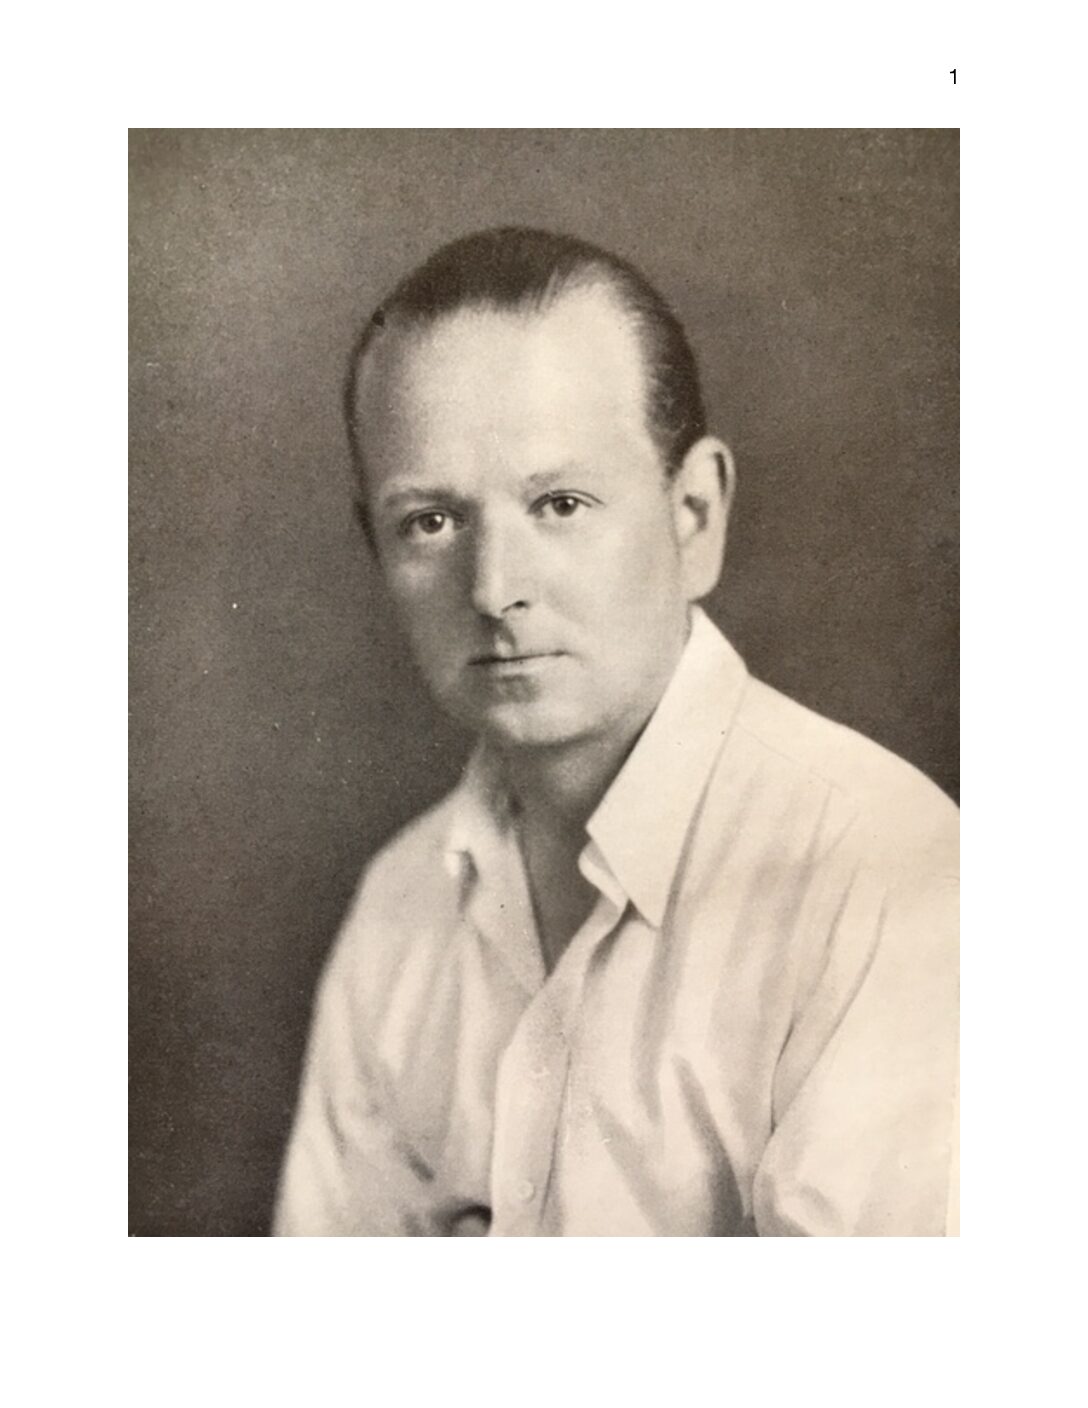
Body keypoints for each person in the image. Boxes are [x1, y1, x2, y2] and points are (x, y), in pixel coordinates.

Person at [274, 227, 958, 1237]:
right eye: (430, 521)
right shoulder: (399, 901)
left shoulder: (882, 874)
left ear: (693, 514)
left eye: (560, 503)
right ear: (374, 548)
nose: (494, 589)